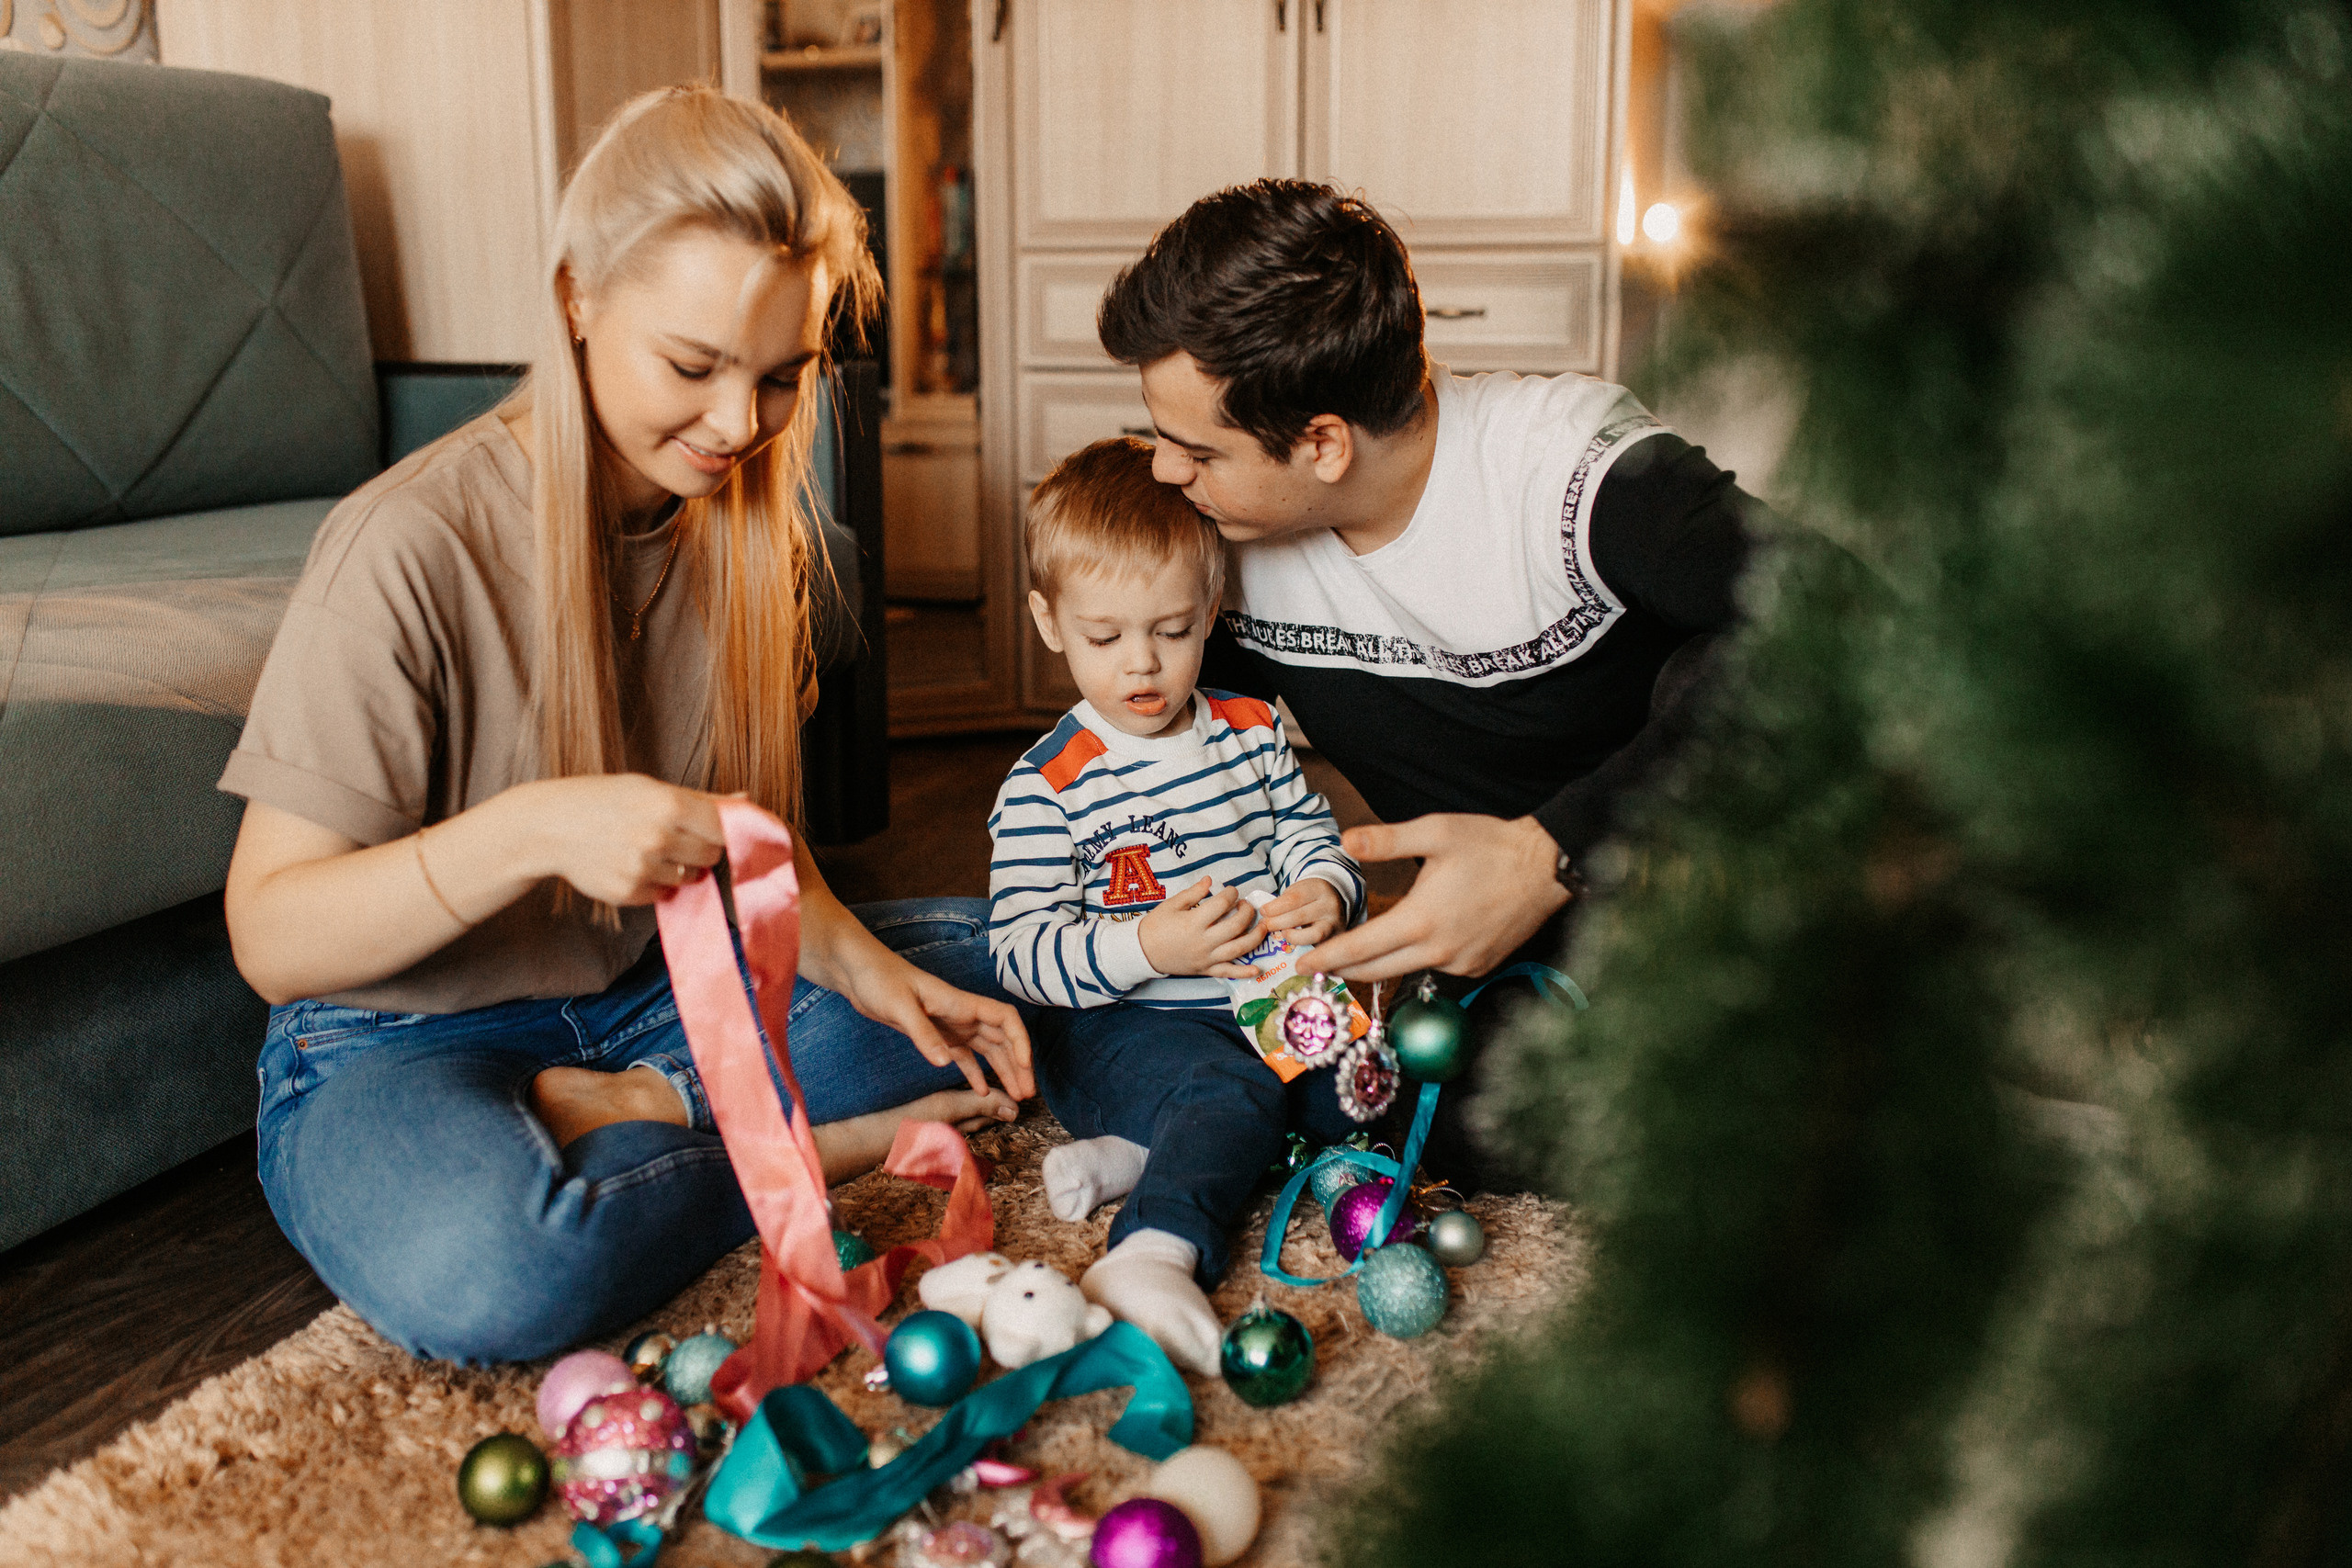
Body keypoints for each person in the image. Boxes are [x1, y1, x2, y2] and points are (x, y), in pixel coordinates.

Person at [217, 88, 1033, 1366]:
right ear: (576, 301)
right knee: (502, 1266)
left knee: (1021, 971)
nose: (736, 425)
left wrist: (875, 973)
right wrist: (532, 828)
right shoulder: (406, 543)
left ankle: (642, 1111)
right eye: (693, 367)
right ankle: (792, 1149)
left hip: (660, 996)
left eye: (780, 377)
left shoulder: (759, 531)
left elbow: (758, 852)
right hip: (399, 1033)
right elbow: (271, 933)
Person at [1099, 179, 1762, 1186]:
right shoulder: (1220, 531)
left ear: (1321, 443)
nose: (1162, 472)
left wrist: (1550, 856)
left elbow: (1844, 624)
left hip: (1697, 901)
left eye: (1196, 450)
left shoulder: (1570, 472)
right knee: (1409, 1120)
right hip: (1502, 951)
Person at [986, 438, 1368, 1373]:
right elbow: (1019, 951)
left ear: (1210, 612)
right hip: (1121, 1028)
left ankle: (1138, 1157)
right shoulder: (1048, 786)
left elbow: (1308, 835)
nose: (1142, 665)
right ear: (1050, 622)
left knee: (1359, 1082)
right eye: (1104, 637)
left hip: (1260, 997)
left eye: (1172, 630)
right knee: (1226, 1092)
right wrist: (1146, 946)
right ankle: (1152, 1251)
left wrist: (1323, 889)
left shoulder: (1247, 732)